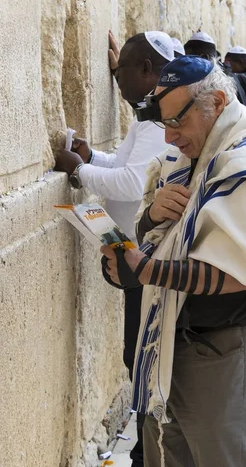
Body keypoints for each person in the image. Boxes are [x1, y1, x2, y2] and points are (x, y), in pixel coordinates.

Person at [101, 56, 246, 467]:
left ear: (218, 102)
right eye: (164, 124)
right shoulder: (189, 160)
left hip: (230, 351)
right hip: (175, 345)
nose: (170, 137)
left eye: (178, 122)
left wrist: (145, 269)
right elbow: (163, 239)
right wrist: (152, 216)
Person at [55, 30, 174, 467]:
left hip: (147, 258)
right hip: (129, 253)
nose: (116, 78)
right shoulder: (148, 115)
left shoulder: (163, 118)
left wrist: (81, 170)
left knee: (144, 356)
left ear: (146, 70)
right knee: (137, 354)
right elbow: (125, 166)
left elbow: (131, 182)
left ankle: (150, 452)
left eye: (120, 70)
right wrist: (93, 157)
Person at [184, 31, 246, 106]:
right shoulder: (214, 75)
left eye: (190, 58)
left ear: (204, 57)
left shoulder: (223, 81)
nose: (186, 63)